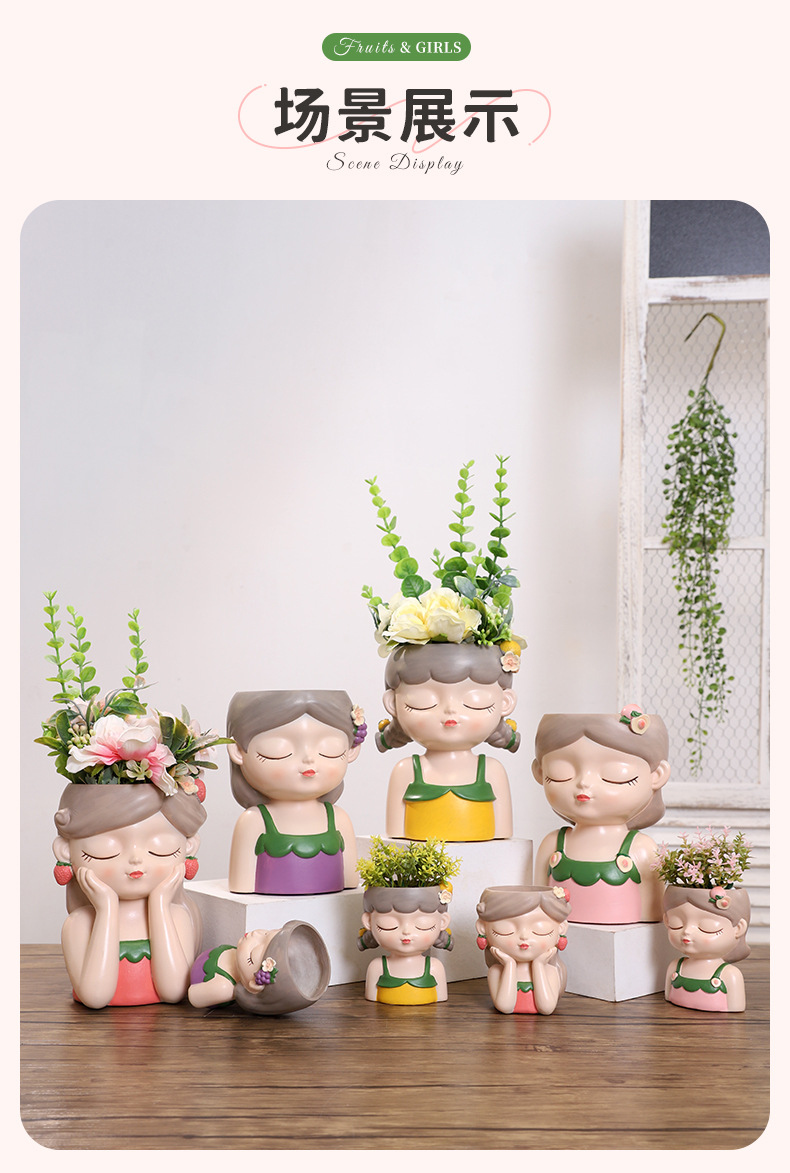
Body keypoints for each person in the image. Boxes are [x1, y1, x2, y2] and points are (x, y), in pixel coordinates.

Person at [52, 782, 205, 1008]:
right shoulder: (79, 923)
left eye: (159, 847)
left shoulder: (177, 915)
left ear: (189, 846)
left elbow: (174, 991)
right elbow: (95, 997)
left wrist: (160, 905)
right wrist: (106, 909)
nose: (136, 859)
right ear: (65, 851)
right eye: (107, 848)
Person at [532, 707, 671, 923]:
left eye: (613, 773)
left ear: (657, 775)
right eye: (562, 771)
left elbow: (653, 916)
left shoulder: (642, 848)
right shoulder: (553, 844)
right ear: (540, 772)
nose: (584, 782)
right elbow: (537, 905)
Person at [227, 690, 363, 894]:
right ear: (238, 751)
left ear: (351, 749)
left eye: (329, 748)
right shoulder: (254, 821)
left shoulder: (338, 818)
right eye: (279, 749)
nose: (308, 759)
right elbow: (241, 886)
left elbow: (351, 881)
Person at [378, 643, 518, 841]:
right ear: (393, 703)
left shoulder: (492, 770)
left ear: (505, 702)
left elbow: (503, 835)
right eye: (424, 700)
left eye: (474, 700)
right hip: (418, 858)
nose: (450, 709)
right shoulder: (406, 770)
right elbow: (395, 835)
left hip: (483, 857)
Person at [188, 920, 331, 1015]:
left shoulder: (224, 987)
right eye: (266, 933)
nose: (254, 934)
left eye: (252, 954)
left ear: (253, 985)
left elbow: (193, 996)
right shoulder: (236, 955)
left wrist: (220, 992)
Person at [475, 884, 571, 1014]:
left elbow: (546, 1008)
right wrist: (509, 965)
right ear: (482, 928)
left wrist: (538, 965)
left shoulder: (551, 970)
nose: (524, 936)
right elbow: (505, 1007)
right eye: (506, 929)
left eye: (540, 929)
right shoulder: (496, 971)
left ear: (561, 929)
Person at [358, 885, 453, 1004]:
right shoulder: (377, 967)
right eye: (389, 924)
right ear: (368, 921)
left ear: (443, 922)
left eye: (422, 924)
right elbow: (371, 996)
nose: (406, 931)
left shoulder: (434, 967)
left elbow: (441, 997)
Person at [663, 886, 750, 1012]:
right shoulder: (675, 967)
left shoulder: (729, 975)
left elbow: (736, 1007)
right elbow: (667, 995)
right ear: (666, 920)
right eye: (676, 923)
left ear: (738, 928)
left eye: (707, 927)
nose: (687, 931)